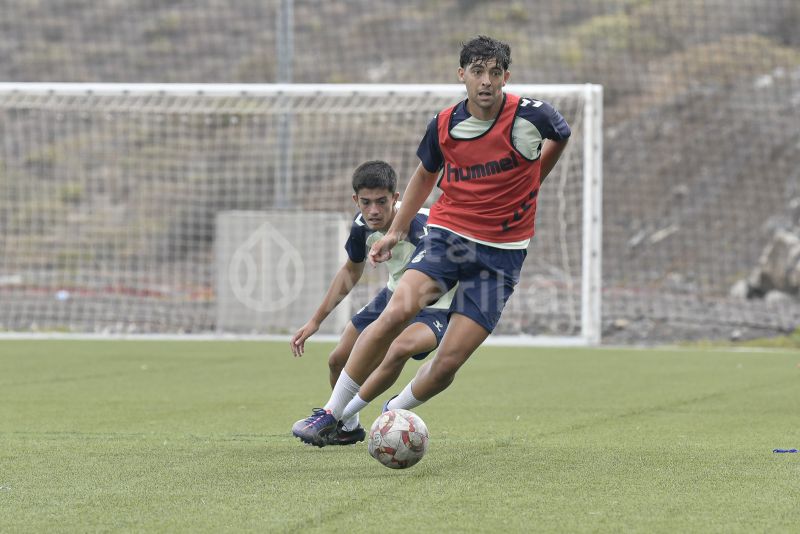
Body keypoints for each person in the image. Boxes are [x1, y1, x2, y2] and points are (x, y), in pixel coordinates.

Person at [292, 35, 571, 447]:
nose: (487, 82)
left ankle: (391, 413)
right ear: (462, 75)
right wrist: (396, 230)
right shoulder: (444, 125)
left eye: (495, 73)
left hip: (502, 258)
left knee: (447, 364)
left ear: (507, 77)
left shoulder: (534, 117)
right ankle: (333, 414)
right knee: (395, 313)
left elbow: (561, 135)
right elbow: (424, 175)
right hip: (450, 238)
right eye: (477, 72)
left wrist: (534, 181)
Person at [290, 160, 455, 446]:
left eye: (382, 201)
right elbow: (351, 270)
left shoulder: (424, 229)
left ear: (396, 198)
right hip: (392, 296)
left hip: (437, 305)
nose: (374, 210)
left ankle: (354, 414)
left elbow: (442, 277)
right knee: (337, 360)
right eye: (366, 202)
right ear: (356, 199)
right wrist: (316, 320)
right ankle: (349, 428)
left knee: (398, 348)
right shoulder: (361, 226)